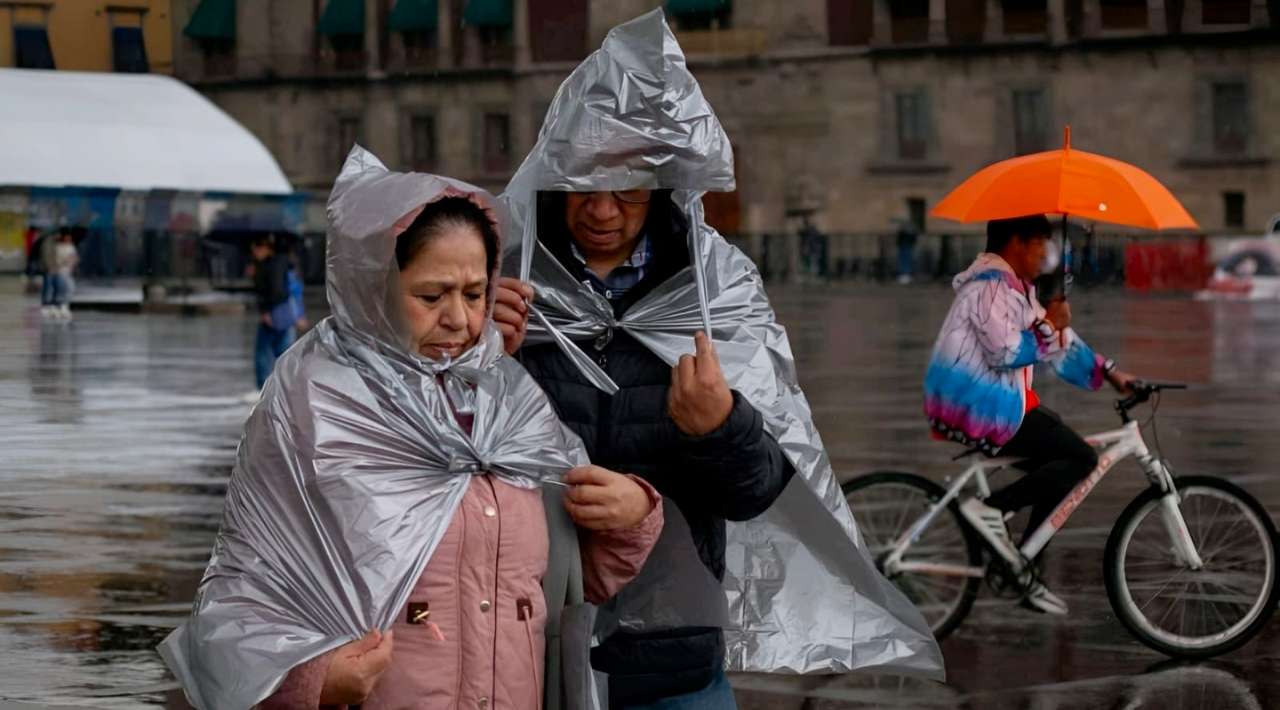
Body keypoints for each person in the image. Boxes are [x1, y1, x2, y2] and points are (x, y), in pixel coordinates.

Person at [161, 157, 663, 710]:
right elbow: (241, 597)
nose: (459, 320)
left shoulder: (509, 403)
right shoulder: (315, 407)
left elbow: (563, 581)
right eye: (432, 296)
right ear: (374, 290)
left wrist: (631, 517)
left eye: (474, 294)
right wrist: (313, 680)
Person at [923, 214, 1136, 615]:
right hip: (977, 405)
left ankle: (1023, 569)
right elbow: (1005, 351)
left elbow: (1058, 341)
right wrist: (1049, 325)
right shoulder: (988, 289)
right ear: (1016, 243)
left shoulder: (1014, 288)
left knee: (1062, 469)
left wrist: (1110, 372)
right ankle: (990, 508)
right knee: (1080, 458)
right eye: (1040, 243)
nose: (1046, 254)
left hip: (997, 400)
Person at [249, 234, 299, 391]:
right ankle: (285, 389)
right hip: (286, 316)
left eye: (256, 249)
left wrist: (266, 310)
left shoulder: (272, 265)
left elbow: (275, 291)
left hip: (274, 315)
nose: (254, 253)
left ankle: (265, 389)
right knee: (284, 354)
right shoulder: (284, 262)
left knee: (263, 354)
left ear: (266, 248)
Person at [48, 230, 78, 320]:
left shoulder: (71, 246)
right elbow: (56, 259)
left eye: (70, 237)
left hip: (68, 271)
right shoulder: (58, 247)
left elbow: (74, 257)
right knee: (62, 289)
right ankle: (58, 307)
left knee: (70, 288)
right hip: (60, 271)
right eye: (67, 237)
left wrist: (73, 261)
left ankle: (64, 306)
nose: (69, 239)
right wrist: (64, 261)